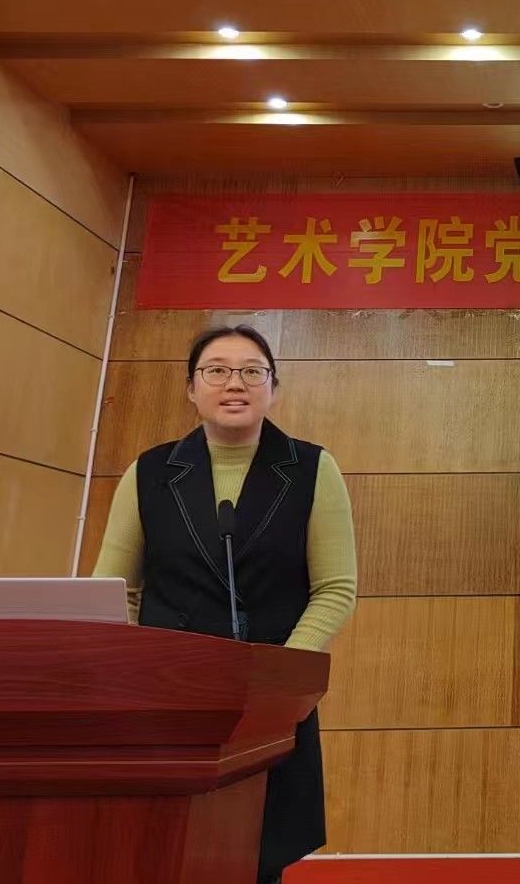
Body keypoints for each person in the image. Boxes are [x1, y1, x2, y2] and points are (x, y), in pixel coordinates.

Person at [93, 324, 357, 884]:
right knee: (164, 851)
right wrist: (136, 674)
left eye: (251, 372)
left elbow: (335, 588)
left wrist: (280, 679)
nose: (234, 383)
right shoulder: (151, 471)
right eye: (216, 370)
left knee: (256, 853)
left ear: (273, 388)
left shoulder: (311, 469)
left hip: (268, 702)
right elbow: (116, 590)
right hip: (168, 700)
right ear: (191, 388)